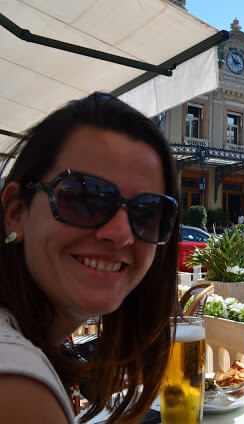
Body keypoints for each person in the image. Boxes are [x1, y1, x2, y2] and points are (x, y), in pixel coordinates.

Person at [0, 93, 181, 424]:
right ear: (15, 213)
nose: (121, 233)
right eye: (85, 197)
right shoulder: (18, 387)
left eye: (147, 212)